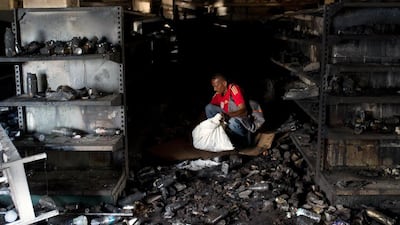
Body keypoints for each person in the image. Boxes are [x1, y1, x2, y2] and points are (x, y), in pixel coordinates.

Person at [205, 73, 252, 147]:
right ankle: (216, 133)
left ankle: (243, 138)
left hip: (240, 117)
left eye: (216, 86)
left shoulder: (233, 89)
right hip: (228, 115)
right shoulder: (218, 94)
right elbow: (210, 109)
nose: (214, 89)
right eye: (213, 87)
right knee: (209, 108)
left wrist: (227, 116)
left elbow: (244, 111)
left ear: (224, 83)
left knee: (232, 122)